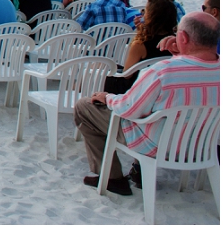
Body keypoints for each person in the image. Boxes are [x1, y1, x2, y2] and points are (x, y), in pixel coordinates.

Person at [73, 12, 219, 196]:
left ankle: (112, 178)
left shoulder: (162, 72)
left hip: (157, 145)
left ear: (182, 37)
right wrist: (181, 54)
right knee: (155, 108)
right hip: (203, 146)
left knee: (85, 107)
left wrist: (107, 97)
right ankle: (136, 170)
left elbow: (128, 108)